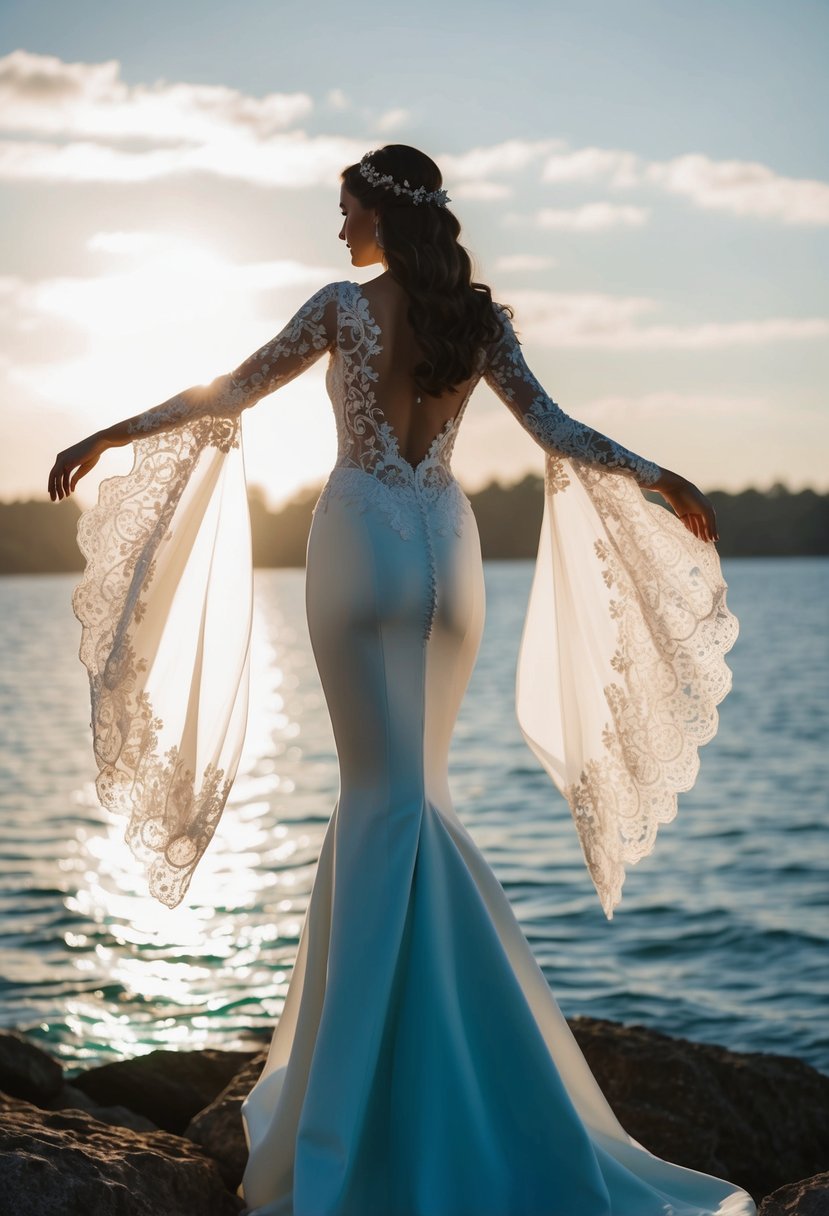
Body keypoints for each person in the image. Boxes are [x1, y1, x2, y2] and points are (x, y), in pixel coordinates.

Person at [48, 144, 751, 1215]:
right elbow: (556, 432)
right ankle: (449, 1069)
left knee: (380, 805)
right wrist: (653, 475)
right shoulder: (478, 318)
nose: (338, 230)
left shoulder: (339, 307)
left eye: (347, 209)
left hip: (361, 543)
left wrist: (111, 433)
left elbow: (229, 391)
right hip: (445, 558)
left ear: (382, 210)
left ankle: (353, 1117)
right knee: (416, 801)